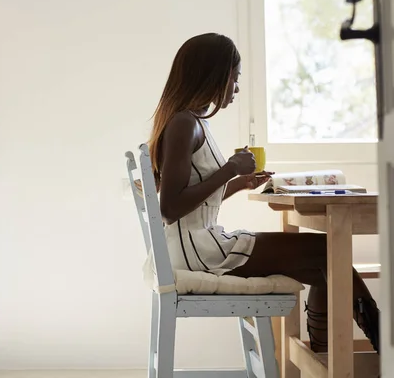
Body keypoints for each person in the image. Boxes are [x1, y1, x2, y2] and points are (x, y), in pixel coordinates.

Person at [148, 32, 380, 354]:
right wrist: (230, 169)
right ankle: (381, 343)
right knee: (327, 251)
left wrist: (238, 182)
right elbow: (170, 207)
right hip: (199, 253)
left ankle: (329, 359)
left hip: (198, 245)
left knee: (323, 263)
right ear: (213, 74)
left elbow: (191, 200)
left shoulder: (192, 121)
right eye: (235, 78)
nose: (237, 88)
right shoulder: (184, 124)